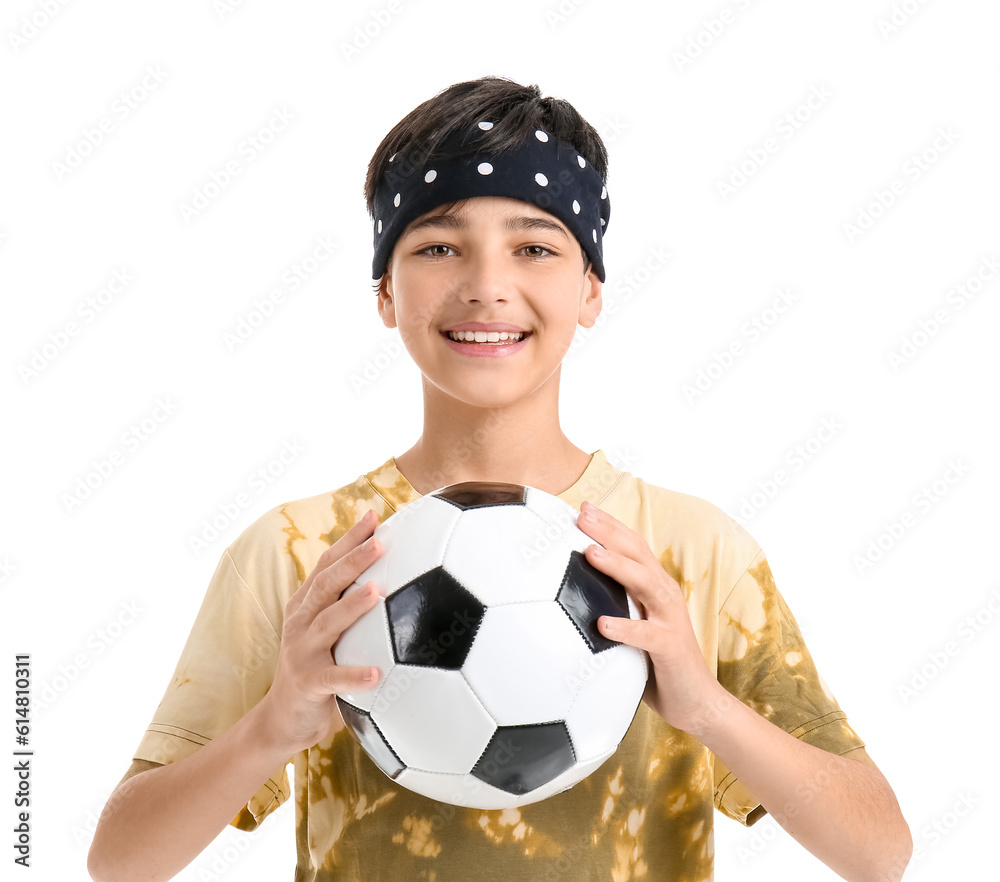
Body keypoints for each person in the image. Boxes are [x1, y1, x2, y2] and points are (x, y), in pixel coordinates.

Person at [88, 75, 912, 882]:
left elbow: (879, 855)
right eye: (439, 246)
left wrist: (706, 710)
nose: (486, 286)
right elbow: (120, 863)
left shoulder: (687, 552)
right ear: (384, 289)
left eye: (535, 248)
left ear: (590, 289)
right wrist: (271, 728)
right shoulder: (306, 552)